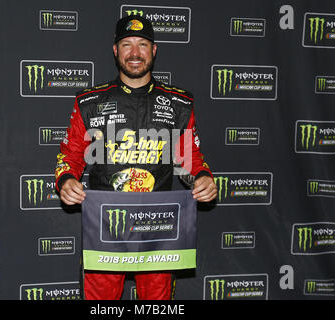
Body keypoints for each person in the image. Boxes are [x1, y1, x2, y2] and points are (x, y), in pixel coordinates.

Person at [55, 14, 217, 300]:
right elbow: (70, 157)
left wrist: (202, 177)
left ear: (154, 51)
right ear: (115, 51)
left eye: (142, 44)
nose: (134, 53)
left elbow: (188, 158)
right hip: (105, 226)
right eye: (126, 44)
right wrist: (66, 179)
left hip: (157, 226)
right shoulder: (90, 103)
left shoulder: (179, 103)